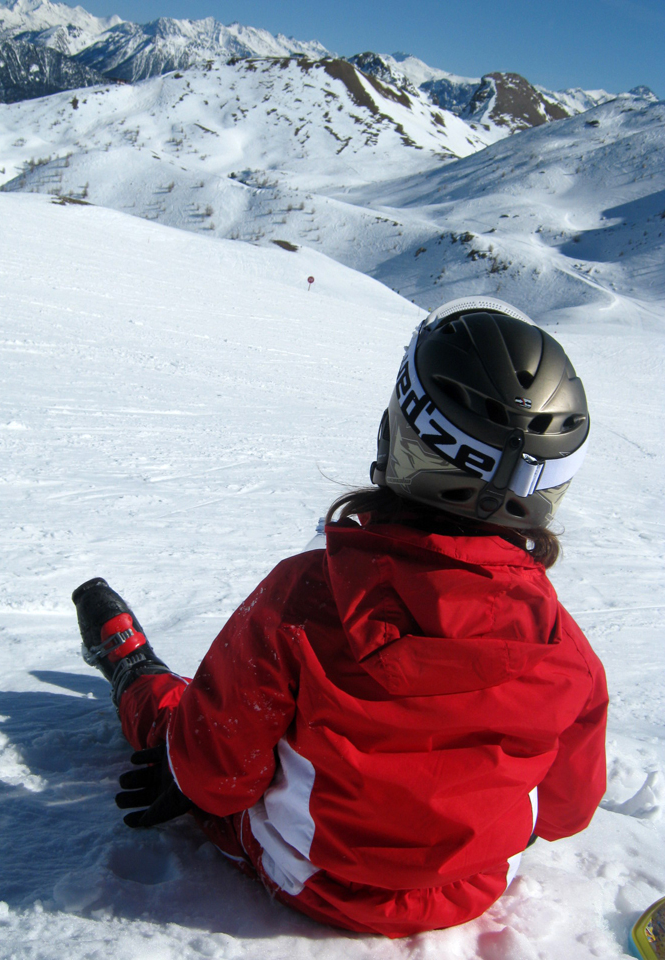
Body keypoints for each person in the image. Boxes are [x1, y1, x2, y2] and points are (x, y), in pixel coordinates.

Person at [73, 295, 608, 939]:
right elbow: (566, 810)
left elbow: (217, 777)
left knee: (184, 724)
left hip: (314, 879)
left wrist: (183, 763)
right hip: (474, 889)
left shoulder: (303, 599)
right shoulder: (565, 648)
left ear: (402, 435)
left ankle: (133, 670)